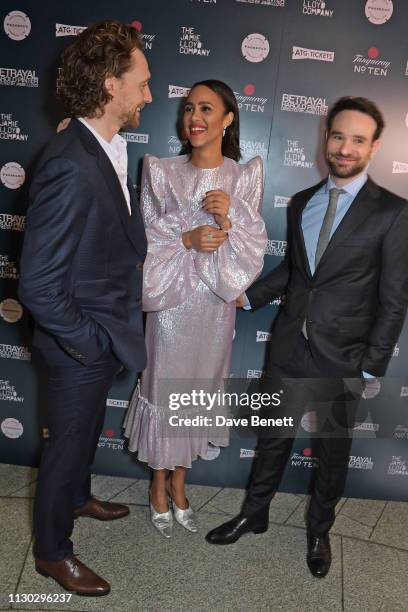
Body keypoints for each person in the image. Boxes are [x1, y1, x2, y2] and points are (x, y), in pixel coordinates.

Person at [206, 97, 408, 577]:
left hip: (344, 358)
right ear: (326, 138)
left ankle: (320, 529)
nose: (345, 147)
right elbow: (296, 273)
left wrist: (371, 365)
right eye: (338, 136)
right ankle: (254, 515)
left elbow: (394, 299)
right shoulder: (301, 202)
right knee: (273, 438)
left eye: (358, 139)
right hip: (289, 347)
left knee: (331, 455)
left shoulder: (394, 213)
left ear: (374, 146)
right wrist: (247, 296)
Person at [18, 20, 152, 596]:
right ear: (108, 86)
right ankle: (52, 551)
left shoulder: (106, 146)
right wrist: (90, 343)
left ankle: (76, 497)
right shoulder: (71, 163)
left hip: (100, 331)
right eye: (141, 83)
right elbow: (38, 285)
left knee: (82, 433)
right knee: (67, 442)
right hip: (80, 340)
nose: (149, 94)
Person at [123, 80, 267, 538]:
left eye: (206, 108)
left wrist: (230, 217)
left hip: (214, 306)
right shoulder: (161, 170)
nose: (194, 117)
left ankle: (180, 482)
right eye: (188, 108)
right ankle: (157, 485)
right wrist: (186, 239)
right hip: (169, 306)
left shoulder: (245, 178)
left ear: (228, 119)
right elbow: (144, 241)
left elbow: (251, 250)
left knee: (198, 389)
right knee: (166, 389)